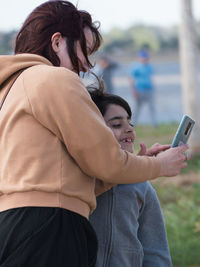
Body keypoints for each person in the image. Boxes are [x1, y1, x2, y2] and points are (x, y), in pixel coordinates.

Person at [0, 1, 188, 266]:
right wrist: (159, 165)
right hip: (52, 226)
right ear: (57, 42)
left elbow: (67, 177)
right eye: (84, 50)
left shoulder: (11, 89)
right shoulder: (55, 78)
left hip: (13, 224)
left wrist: (141, 163)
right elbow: (106, 162)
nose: (87, 66)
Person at [89, 87, 172, 267]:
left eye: (130, 123)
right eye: (117, 125)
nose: (129, 130)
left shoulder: (140, 186)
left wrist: (137, 167)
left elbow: (156, 251)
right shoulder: (80, 181)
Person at [129, 50, 157, 127]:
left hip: (149, 90)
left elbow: (150, 78)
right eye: (143, 58)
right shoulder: (136, 67)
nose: (144, 59)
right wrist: (134, 91)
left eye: (146, 58)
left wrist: (153, 88)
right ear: (139, 58)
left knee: (152, 107)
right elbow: (131, 79)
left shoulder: (149, 67)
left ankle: (154, 124)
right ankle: (132, 124)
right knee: (137, 108)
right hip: (139, 90)